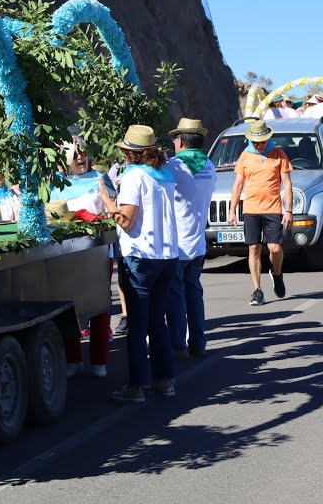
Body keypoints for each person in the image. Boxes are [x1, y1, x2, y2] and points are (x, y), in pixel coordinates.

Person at [97, 125, 179, 404]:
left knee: (138, 323)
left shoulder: (134, 176)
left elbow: (127, 221)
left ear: (129, 153)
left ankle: (136, 386)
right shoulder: (166, 173)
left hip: (142, 255)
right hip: (168, 254)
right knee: (158, 321)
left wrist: (108, 201)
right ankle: (165, 381)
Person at [50, 141, 115, 377]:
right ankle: (72, 359)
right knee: (68, 307)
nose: (80, 158)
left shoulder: (100, 178)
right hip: (68, 254)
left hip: (97, 252)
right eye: (75, 154)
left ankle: (99, 361)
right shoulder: (57, 181)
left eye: (83, 153)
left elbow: (112, 211)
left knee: (99, 307)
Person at [164, 118, 217, 359]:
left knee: (175, 296)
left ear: (182, 141)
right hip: (197, 242)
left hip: (177, 244)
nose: (174, 143)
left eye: (176, 139)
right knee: (194, 293)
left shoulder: (174, 166)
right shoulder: (210, 165)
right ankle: (198, 341)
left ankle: (178, 345)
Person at [227, 119, 294, 306]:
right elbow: (238, 184)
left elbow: (287, 184)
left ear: (268, 139)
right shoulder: (245, 156)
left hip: (273, 208)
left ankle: (277, 273)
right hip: (251, 209)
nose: (259, 145)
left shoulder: (279, 154)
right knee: (254, 248)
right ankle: (257, 290)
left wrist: (289, 210)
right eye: (256, 142)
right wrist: (232, 210)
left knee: (275, 248)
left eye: (262, 142)